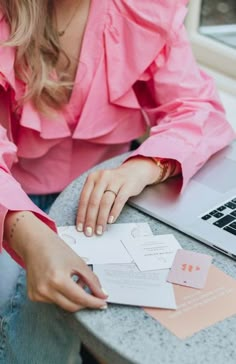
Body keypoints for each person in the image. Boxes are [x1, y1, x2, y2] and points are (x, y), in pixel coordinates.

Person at [0, 0, 235, 363]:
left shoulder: (141, 7)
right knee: (34, 317)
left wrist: (144, 166)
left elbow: (196, 107)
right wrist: (28, 235)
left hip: (110, 194)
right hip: (12, 196)